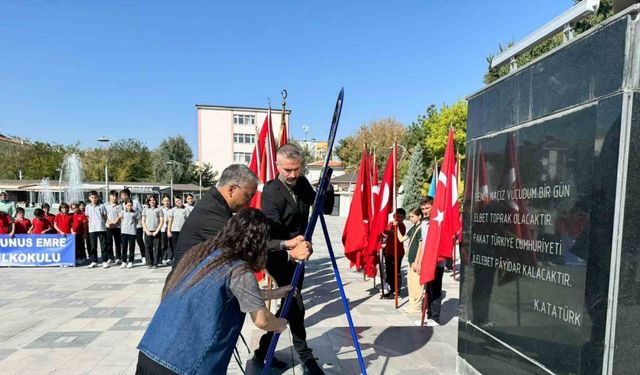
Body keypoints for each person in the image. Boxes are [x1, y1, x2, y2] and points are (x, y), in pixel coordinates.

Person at [137, 208, 290, 375]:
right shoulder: (238, 269)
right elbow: (262, 320)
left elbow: (234, 294)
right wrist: (279, 324)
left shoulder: (203, 254)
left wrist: (275, 293)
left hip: (151, 351)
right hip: (184, 365)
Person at [254, 144, 334, 374]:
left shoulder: (301, 183)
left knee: (289, 305)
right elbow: (272, 228)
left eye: (296, 169)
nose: (292, 175)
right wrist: (294, 245)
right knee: (295, 304)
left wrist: (326, 188)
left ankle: (263, 350)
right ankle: (306, 358)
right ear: (278, 166)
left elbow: (323, 208)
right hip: (279, 254)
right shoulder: (271, 191)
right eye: (287, 170)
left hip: (300, 254)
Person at [417, 196, 443, 327]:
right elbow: (423, 243)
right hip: (426, 261)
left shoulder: (439, 222)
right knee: (427, 289)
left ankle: (435, 317)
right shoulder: (424, 223)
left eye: (427, 208)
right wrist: (419, 261)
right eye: (422, 209)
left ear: (433, 206)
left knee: (435, 290)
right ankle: (427, 315)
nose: (425, 211)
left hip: (437, 261)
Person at [398, 207, 423, 313]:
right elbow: (402, 239)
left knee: (417, 285)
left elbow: (421, 246)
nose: (410, 218)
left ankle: (417, 306)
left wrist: (417, 261)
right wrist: (396, 227)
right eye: (410, 216)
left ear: (419, 216)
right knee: (411, 284)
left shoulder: (421, 228)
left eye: (413, 216)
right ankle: (412, 304)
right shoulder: (413, 227)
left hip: (415, 261)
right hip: (410, 259)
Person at [382, 208, 407, 299]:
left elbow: (393, 233)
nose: (399, 218)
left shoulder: (401, 226)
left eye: (401, 217)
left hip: (397, 252)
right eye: (398, 216)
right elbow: (386, 233)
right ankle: (391, 289)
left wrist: (382, 229)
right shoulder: (390, 224)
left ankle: (397, 292)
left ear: (404, 218)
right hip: (389, 251)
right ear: (394, 216)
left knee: (396, 272)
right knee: (389, 271)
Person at [120, 189, 146, 264]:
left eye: (122, 196)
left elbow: (142, 212)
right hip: (128, 227)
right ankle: (127, 260)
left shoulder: (136, 202)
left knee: (139, 241)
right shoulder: (123, 204)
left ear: (127, 195)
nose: (122, 197)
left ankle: (143, 256)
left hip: (137, 225)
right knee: (127, 244)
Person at [86, 191, 109, 268]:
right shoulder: (88, 207)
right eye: (92, 197)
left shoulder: (101, 206)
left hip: (101, 228)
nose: (94, 199)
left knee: (103, 245)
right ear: (89, 198)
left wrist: (102, 222)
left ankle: (104, 261)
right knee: (93, 246)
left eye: (95, 197)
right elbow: (87, 216)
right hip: (92, 228)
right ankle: (94, 261)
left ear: (98, 198)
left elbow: (105, 216)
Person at [165, 196, 189, 265]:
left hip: (183, 231)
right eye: (176, 201)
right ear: (175, 203)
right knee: (175, 246)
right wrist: (169, 231)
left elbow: (188, 221)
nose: (178, 202)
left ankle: (183, 260)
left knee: (182, 246)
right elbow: (170, 221)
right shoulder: (172, 210)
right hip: (174, 230)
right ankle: (176, 260)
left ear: (181, 200)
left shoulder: (186, 209)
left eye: (179, 200)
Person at [142, 194, 164, 269]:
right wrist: (146, 230)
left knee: (157, 248)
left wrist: (157, 230)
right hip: (148, 231)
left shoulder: (159, 209)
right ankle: (149, 263)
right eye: (150, 200)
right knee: (148, 247)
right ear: (148, 201)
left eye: (153, 200)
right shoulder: (145, 209)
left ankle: (155, 263)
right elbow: (143, 221)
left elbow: (161, 221)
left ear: (156, 201)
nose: (152, 201)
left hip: (156, 231)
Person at [119, 199, 140, 269]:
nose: (129, 207)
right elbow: (121, 219)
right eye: (128, 205)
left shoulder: (135, 213)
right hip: (124, 231)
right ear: (125, 205)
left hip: (132, 232)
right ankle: (124, 261)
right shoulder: (122, 212)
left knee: (131, 247)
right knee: (124, 247)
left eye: (131, 205)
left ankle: (131, 261)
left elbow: (137, 220)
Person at [105, 190, 123, 264]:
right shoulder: (105, 205)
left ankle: (118, 257)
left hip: (117, 227)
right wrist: (109, 222)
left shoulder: (119, 206)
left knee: (118, 243)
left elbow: (120, 215)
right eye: (113, 196)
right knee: (109, 243)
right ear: (110, 196)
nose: (114, 198)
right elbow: (104, 215)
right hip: (108, 226)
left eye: (115, 196)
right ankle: (110, 257)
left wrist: (115, 222)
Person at [159, 195, 172, 265]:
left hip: (170, 229)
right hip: (162, 229)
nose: (166, 202)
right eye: (165, 201)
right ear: (162, 201)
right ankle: (163, 258)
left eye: (168, 201)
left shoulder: (172, 209)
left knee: (169, 244)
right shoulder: (160, 209)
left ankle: (169, 258)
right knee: (163, 244)